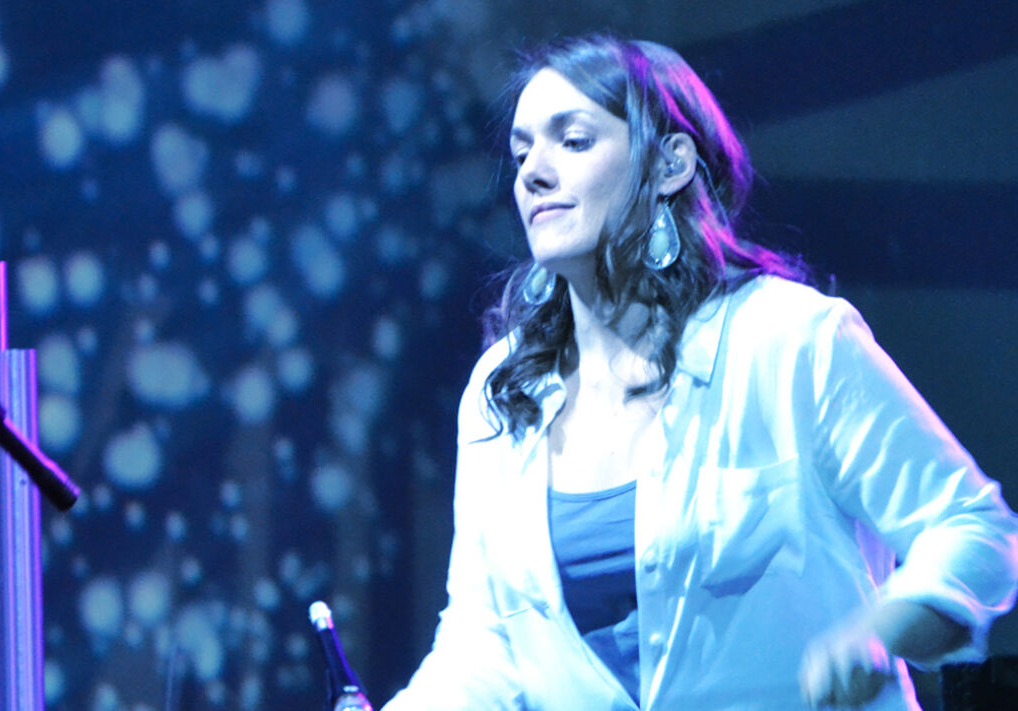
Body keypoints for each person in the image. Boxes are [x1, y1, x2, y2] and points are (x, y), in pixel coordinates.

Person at [384, 34, 1018, 711]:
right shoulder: (500, 392)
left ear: (669, 163)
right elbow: (481, 645)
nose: (533, 173)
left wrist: (882, 626)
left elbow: (977, 529)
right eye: (521, 152)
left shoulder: (791, 339)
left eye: (572, 141)